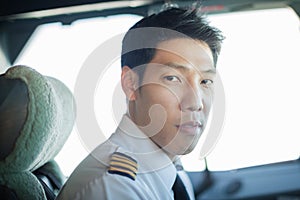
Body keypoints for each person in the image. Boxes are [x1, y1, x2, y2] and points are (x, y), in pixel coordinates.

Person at [57, 6, 224, 200]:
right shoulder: (114, 186)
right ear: (131, 84)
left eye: (205, 82)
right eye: (172, 78)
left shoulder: (174, 171)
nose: (195, 103)